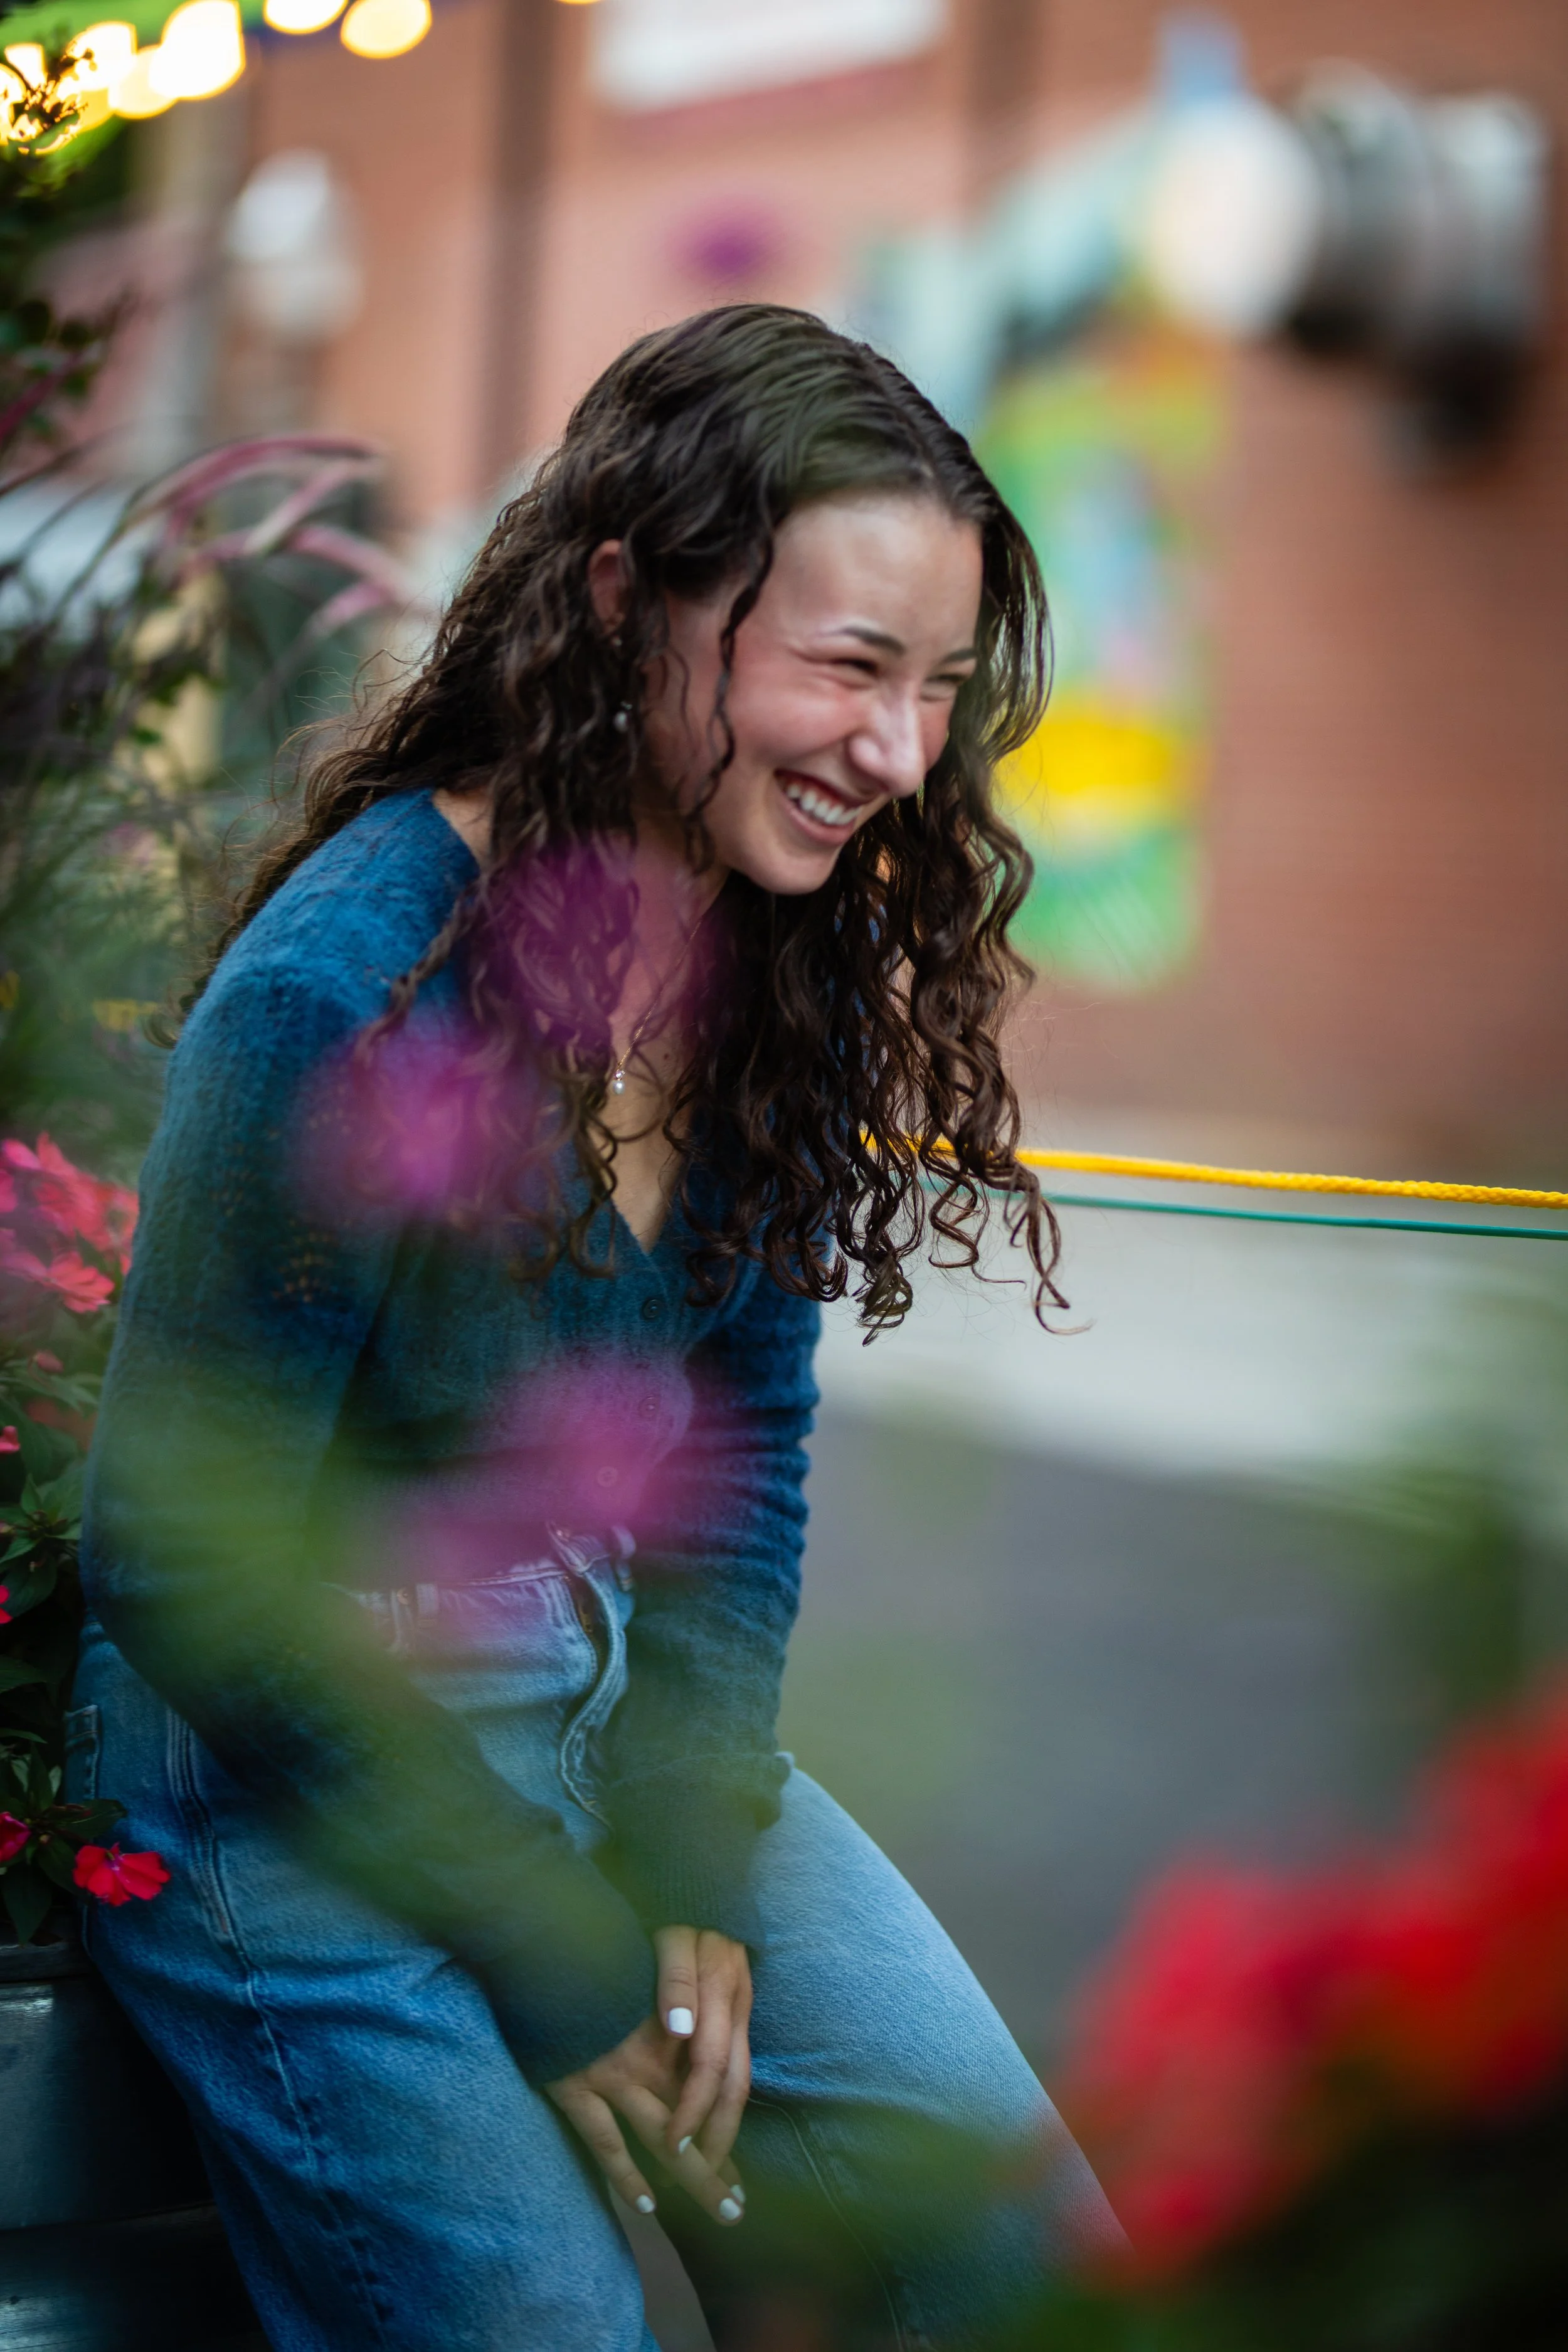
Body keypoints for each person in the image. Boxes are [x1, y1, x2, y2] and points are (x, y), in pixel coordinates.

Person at [73, 304, 1122, 2351]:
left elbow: (736, 1444)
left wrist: (683, 1842)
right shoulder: (345, 996)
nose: (900, 756)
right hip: (268, 1762)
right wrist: (559, 1956)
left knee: (1016, 2255)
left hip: (584, 1684)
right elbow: (183, 1563)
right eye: (842, 665)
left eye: (932, 687)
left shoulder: (760, 957)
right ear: (628, 600)